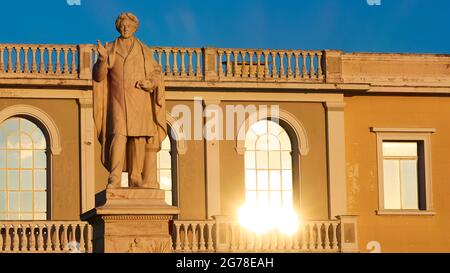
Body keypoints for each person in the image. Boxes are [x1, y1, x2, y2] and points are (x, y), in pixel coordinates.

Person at [93, 12, 166, 189]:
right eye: (123, 26)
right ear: (118, 27)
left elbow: (156, 72)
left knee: (138, 138)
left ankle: (135, 176)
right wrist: (102, 60)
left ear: (134, 28)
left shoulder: (144, 50)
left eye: (129, 26)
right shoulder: (110, 48)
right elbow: (98, 76)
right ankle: (114, 177)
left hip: (140, 100)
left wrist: (151, 83)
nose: (126, 28)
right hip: (118, 101)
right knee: (118, 136)